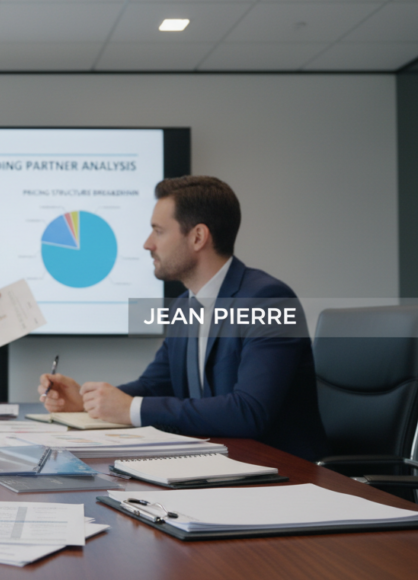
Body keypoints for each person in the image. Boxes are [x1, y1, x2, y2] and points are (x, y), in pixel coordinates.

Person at [39, 176, 328, 461]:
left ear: (198, 237)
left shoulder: (268, 299)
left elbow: (249, 412)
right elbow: (155, 385)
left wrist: (131, 409)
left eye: (158, 231)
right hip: (216, 466)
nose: (147, 244)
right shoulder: (184, 305)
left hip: (280, 475)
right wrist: (88, 402)